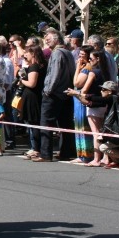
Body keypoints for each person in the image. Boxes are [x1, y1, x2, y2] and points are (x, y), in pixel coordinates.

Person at [33, 31, 76, 162]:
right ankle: (66, 152)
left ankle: (46, 154)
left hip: (54, 93)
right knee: (65, 123)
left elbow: (55, 73)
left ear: (57, 40)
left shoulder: (57, 53)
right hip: (65, 92)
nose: (46, 41)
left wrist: (48, 90)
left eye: (49, 39)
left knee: (46, 123)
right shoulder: (68, 52)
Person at [17, 46, 47, 159]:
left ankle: (35, 148)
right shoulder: (38, 66)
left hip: (32, 97)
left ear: (33, 54)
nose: (25, 55)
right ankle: (34, 147)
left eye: (26, 53)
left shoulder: (34, 67)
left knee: (33, 123)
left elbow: (31, 83)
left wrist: (22, 80)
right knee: (32, 123)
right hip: (32, 96)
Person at [70, 45, 95, 164]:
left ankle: (86, 155)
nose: (80, 58)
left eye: (83, 56)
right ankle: (80, 153)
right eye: (79, 55)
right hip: (77, 99)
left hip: (81, 98)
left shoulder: (87, 68)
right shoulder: (84, 67)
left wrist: (77, 68)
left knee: (83, 125)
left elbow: (77, 82)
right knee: (78, 125)